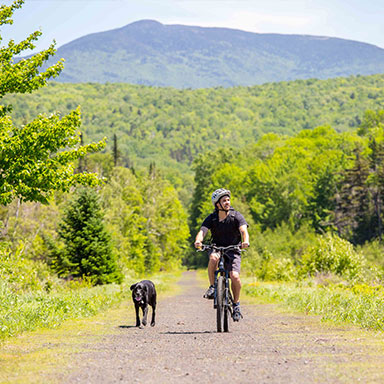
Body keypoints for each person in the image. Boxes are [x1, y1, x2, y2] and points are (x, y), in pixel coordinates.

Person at [194, 188, 249, 321]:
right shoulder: (212, 218)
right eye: (224, 200)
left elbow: (243, 230)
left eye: (228, 200)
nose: (227, 202)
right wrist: (198, 240)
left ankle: (236, 305)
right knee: (213, 257)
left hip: (233, 249)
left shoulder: (236, 216)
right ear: (217, 204)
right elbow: (203, 230)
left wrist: (245, 241)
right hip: (217, 247)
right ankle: (213, 287)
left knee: (234, 276)